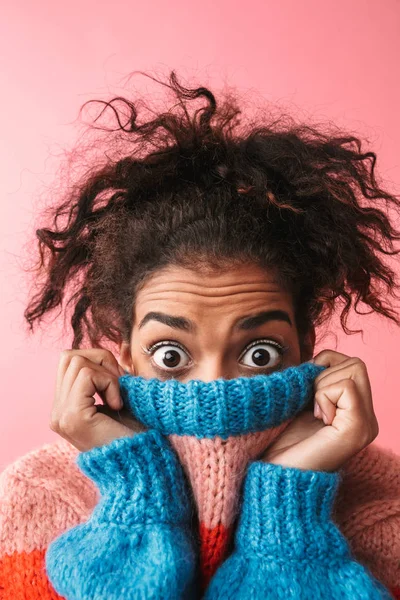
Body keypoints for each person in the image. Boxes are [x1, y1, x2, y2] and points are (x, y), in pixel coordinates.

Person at [0, 70, 399, 599]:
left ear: (309, 347)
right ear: (122, 357)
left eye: (260, 353)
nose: (213, 386)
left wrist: (287, 518)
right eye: (170, 354)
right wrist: (137, 494)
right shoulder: (39, 496)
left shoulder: (384, 507)